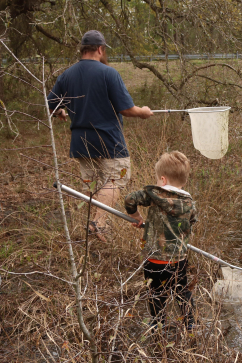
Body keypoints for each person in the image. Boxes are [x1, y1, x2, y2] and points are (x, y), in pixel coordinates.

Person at [48, 30, 154, 242]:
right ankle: (98, 223)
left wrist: (60, 111)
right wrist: (143, 112)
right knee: (118, 179)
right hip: (108, 140)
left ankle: (95, 233)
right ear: (100, 49)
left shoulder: (66, 75)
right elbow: (126, 109)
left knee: (93, 186)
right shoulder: (108, 73)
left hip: (80, 144)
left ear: (82, 50)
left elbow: (50, 104)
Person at [124, 151, 198, 332]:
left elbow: (130, 199)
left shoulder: (153, 195)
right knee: (182, 291)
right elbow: (192, 221)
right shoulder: (189, 202)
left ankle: (158, 322)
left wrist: (136, 216)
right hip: (177, 259)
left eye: (158, 179)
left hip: (154, 259)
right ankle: (189, 322)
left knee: (155, 293)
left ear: (163, 180)